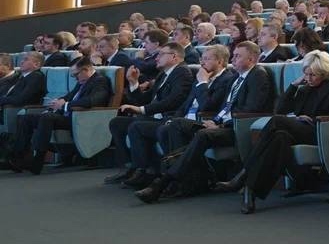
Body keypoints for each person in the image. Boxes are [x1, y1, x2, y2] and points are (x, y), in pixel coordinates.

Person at [138, 41, 277, 202]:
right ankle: (188, 181)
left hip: (237, 128)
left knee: (203, 135)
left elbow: (251, 110)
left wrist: (220, 124)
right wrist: (215, 121)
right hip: (219, 123)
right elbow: (225, 107)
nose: (233, 59)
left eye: (238, 56)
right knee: (176, 124)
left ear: (251, 59)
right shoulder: (236, 78)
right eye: (233, 55)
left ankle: (165, 182)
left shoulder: (258, 75)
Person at [215, 50, 329, 213]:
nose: (308, 78)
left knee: (277, 121)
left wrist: (313, 119)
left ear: (323, 73)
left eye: (313, 75)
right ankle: (250, 192)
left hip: (319, 131)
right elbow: (280, 109)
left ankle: (244, 173)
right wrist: (293, 86)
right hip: (298, 129)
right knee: (279, 138)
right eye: (306, 74)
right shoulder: (304, 89)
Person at [104, 43, 195, 187]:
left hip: (169, 119)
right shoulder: (163, 74)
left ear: (174, 56)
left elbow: (173, 101)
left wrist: (141, 110)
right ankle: (130, 167)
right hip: (154, 117)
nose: (156, 58)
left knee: (136, 126)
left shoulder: (182, 73)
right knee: (117, 123)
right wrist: (133, 83)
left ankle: (144, 171)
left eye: (161, 54)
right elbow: (145, 99)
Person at [8, 58, 111, 175]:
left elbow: (93, 100)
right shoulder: (83, 81)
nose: (75, 78)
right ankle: (18, 157)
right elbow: (70, 96)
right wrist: (56, 103)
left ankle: (38, 160)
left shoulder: (100, 81)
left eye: (76, 74)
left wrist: (65, 105)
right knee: (26, 118)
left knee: (47, 118)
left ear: (86, 69)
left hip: (81, 118)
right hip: (68, 115)